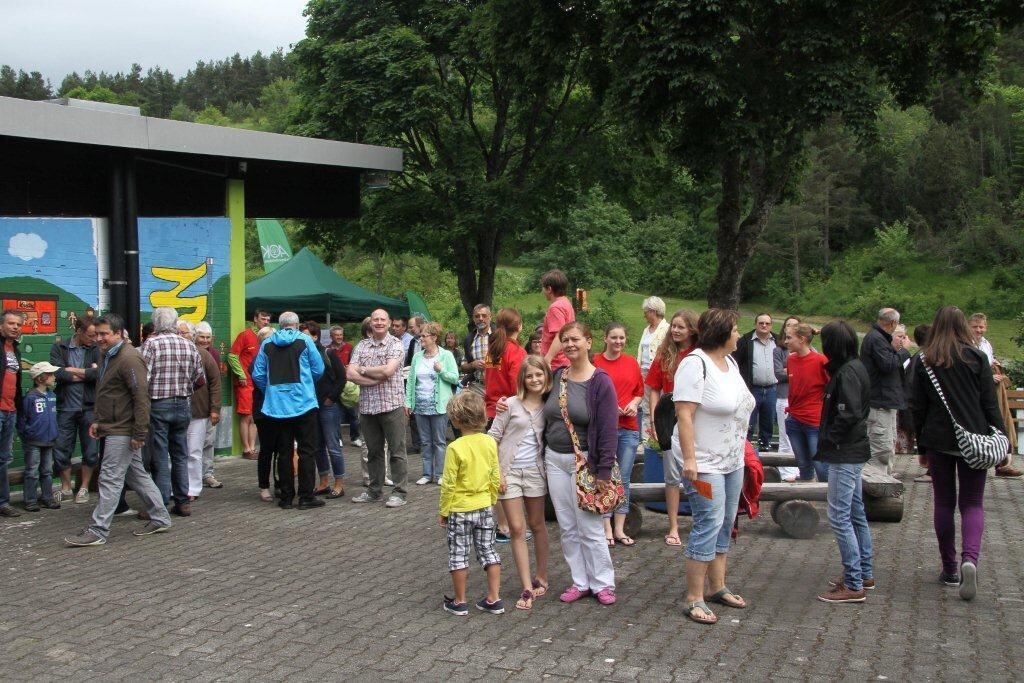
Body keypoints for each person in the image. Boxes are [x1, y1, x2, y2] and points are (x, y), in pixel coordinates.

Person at [913, 306, 1006, 601]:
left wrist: (922, 447)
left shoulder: (924, 360)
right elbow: (989, 403)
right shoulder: (976, 357)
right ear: (964, 326)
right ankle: (971, 560)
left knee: (943, 502)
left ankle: (950, 569)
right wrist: (1002, 440)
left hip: (939, 440)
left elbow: (917, 406)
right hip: (974, 438)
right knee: (972, 503)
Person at [673, 308, 755, 625]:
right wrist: (690, 460)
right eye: (735, 329)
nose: (739, 335)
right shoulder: (695, 365)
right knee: (709, 520)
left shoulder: (730, 363)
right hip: (704, 463)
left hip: (732, 460)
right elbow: (684, 414)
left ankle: (717, 587)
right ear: (722, 333)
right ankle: (693, 598)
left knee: (725, 521)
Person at [64, 314, 171, 546]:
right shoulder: (107, 355)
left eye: (105, 334)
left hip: (123, 429)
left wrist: (139, 433)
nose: (99, 338)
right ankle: (161, 518)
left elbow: (141, 398)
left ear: (119, 334)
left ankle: (98, 530)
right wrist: (98, 421)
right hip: (113, 426)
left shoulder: (130, 359)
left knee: (109, 478)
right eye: (97, 334)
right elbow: (107, 392)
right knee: (137, 475)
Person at [544, 322, 618, 605]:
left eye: (575, 339)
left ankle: (603, 583)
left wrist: (603, 471)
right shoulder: (557, 376)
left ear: (589, 342)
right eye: (565, 340)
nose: (570, 344)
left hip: (586, 463)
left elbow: (610, 430)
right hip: (554, 460)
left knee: (589, 525)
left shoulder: (600, 381)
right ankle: (580, 580)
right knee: (567, 525)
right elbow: (533, 400)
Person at [814, 321, 875, 603]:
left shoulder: (847, 372)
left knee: (839, 516)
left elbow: (848, 413)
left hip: (846, 452)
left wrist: (832, 438)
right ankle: (864, 572)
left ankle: (853, 583)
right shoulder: (854, 366)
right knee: (855, 511)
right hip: (854, 450)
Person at [488, 356, 551, 610]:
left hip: (536, 471)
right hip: (509, 471)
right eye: (529, 376)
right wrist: (497, 473)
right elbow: (492, 437)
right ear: (522, 380)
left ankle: (542, 576)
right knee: (516, 527)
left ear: (546, 376)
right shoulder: (510, 405)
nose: (535, 380)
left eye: (539, 375)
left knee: (537, 524)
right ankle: (526, 586)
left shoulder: (550, 406)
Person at [251, 312, 325, 510]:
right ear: (297, 325)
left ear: (280, 325)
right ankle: (306, 497)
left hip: (277, 407)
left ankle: (286, 498)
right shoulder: (305, 341)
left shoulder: (266, 344)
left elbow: (257, 374)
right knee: (306, 451)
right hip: (304, 404)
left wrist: (271, 392)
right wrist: (307, 385)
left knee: (283, 452)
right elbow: (318, 369)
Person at [439, 391, 503, 616]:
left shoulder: (455, 447)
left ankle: (460, 601)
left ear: (456, 420)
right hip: (485, 505)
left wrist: (444, 511)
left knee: (458, 553)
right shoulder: (489, 442)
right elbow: (495, 475)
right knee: (488, 551)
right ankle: (494, 598)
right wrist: (491, 499)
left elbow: (448, 484)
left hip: (460, 508)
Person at [141, 307, 206, 517]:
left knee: (160, 455)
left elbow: (144, 378)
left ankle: (159, 503)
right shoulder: (189, 345)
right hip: (183, 404)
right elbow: (200, 379)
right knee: (181, 454)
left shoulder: (150, 344)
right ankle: (182, 501)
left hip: (159, 404)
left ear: (156, 323)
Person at [646, 309, 699, 546]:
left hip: (695, 415)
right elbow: (655, 388)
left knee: (699, 471)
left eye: (681, 327)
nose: (676, 330)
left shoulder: (700, 354)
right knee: (671, 475)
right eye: (674, 326)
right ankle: (674, 526)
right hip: (668, 414)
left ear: (692, 330)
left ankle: (702, 521)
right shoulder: (664, 353)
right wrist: (654, 420)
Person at [348, 308, 409, 507]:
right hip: (367, 408)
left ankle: (399, 492)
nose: (379, 322)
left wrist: (363, 370)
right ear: (371, 323)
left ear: (389, 323)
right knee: (373, 452)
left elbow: (389, 370)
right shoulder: (361, 346)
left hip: (392, 405)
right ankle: (374, 491)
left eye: (383, 319)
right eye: (376, 320)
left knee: (397, 451)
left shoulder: (396, 344)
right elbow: (350, 374)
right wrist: (374, 379)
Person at [593, 322, 644, 547]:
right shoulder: (596, 362)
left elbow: (639, 391)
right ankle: (605, 527)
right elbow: (589, 394)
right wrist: (608, 408)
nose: (618, 342)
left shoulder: (631, 362)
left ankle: (620, 528)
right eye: (614, 337)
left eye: (622, 338)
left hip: (628, 427)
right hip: (605, 428)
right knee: (605, 477)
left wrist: (634, 403)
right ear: (605, 338)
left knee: (623, 478)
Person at [50, 315, 100, 502]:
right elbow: (56, 372)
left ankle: (84, 488)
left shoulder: (96, 349)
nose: (94, 339)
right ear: (79, 332)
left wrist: (72, 370)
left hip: (88, 407)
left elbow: (98, 373)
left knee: (90, 450)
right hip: (66, 407)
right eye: (90, 335)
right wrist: (85, 373)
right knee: (62, 448)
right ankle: (66, 487)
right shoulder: (60, 347)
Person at [406, 321, 460, 485]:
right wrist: (408, 402)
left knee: (439, 441)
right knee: (425, 441)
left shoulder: (446, 355)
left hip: (439, 406)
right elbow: (410, 381)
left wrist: (441, 370)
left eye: (424, 335)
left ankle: (439, 474)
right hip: (420, 405)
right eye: (420, 335)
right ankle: (426, 473)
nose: (421, 338)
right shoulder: (417, 357)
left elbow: (455, 378)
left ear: (434, 337)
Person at [968, 312, 1021, 478]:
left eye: (981, 327)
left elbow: (987, 364)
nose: (978, 330)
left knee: (1001, 423)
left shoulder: (986, 344)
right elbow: (969, 371)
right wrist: (989, 377)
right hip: (975, 393)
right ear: (969, 327)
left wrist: (996, 369)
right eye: (975, 327)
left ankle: (1003, 463)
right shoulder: (966, 345)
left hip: (991, 392)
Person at [303, 321, 347, 499]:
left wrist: (331, 398)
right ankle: (323, 482)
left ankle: (339, 483)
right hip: (312, 406)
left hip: (328, 407)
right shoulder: (302, 355)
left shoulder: (328, 353)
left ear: (315, 337)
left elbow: (342, 378)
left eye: (307, 335)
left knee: (333, 446)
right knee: (317, 447)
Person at [860, 308, 906, 475]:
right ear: (893, 323)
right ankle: (876, 484)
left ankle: (886, 476)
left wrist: (894, 349)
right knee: (880, 448)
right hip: (879, 403)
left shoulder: (879, 338)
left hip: (886, 402)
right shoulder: (877, 339)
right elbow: (887, 365)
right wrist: (903, 352)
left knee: (888, 443)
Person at [178, 320, 221, 501]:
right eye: (178, 333)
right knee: (176, 451)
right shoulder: (171, 352)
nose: (182, 337)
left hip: (198, 410)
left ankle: (193, 488)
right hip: (175, 409)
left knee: (194, 451)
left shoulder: (203, 355)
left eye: (185, 333)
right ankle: (176, 486)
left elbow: (215, 382)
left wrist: (214, 409)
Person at [784, 323, 830, 482]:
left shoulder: (820, 360)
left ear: (802, 339)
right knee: (803, 463)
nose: (786, 341)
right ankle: (804, 500)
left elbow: (830, 387)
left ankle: (830, 498)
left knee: (820, 464)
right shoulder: (791, 360)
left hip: (814, 421)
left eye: (789, 337)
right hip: (794, 419)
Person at [17, 362, 61, 511]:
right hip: (33, 441)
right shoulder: (30, 397)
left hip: (49, 440)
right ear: (41, 378)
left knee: (47, 471)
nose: (54, 377)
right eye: (51, 374)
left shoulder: (52, 395)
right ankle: (30, 500)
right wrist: (27, 434)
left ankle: (47, 497)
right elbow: (22, 419)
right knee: (32, 471)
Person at [228, 309, 271, 460]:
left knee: (255, 417)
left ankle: (252, 447)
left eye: (267, 320)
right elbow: (232, 356)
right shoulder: (245, 335)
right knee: (247, 416)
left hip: (260, 383)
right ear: (255, 319)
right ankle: (246, 449)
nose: (265, 322)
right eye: (263, 319)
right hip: (245, 382)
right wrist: (241, 374)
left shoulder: (269, 337)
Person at [733, 312, 778, 452]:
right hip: (752, 389)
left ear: (771, 325)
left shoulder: (778, 340)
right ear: (755, 324)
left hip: (771, 389)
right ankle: (746, 451)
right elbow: (735, 362)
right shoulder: (746, 341)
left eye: (767, 323)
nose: (764, 326)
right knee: (748, 422)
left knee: (768, 423)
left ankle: (766, 451)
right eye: (761, 323)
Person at [0, 310, 24, 517]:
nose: (15, 327)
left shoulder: (14, 349)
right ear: (1, 326)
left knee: (3, 458)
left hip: (10, 410)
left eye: (18, 324)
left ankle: (3, 503)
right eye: (11, 323)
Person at [194, 321, 223, 488]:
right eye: (202, 337)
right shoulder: (189, 351)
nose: (205, 340)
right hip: (194, 409)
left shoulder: (214, 354)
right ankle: (193, 477)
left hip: (208, 407)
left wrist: (215, 408)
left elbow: (216, 383)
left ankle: (207, 474)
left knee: (208, 442)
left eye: (208, 337)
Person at [250, 326, 278, 502]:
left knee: (282, 448)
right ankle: (264, 486)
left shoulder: (278, 357)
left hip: (279, 409)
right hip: (263, 410)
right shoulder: (257, 360)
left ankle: (280, 482)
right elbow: (259, 379)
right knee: (267, 449)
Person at [637, 297, 669, 442]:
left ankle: (661, 438)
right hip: (644, 372)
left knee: (659, 406)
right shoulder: (645, 329)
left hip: (659, 373)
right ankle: (646, 439)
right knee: (646, 407)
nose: (644, 314)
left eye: (646, 311)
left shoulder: (666, 329)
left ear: (653, 311)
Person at [774, 316, 802, 482]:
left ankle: (799, 469)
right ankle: (785, 471)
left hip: (800, 398)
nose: (791, 328)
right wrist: (796, 371)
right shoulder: (779, 351)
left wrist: (789, 371)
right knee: (785, 436)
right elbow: (778, 373)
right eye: (789, 325)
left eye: (796, 326)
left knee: (798, 435)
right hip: (784, 396)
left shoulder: (807, 350)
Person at [540, 269, 575, 372]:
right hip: (565, 360)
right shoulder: (566, 303)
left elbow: (560, 334)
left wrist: (548, 359)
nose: (542, 292)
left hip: (556, 364)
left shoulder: (555, 308)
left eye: (543, 288)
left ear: (549, 289)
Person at [460, 304, 494, 393]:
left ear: (490, 317)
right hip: (476, 387)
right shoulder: (469, 339)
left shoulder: (498, 336)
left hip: (496, 385)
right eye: (477, 316)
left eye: (484, 315)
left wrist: (490, 364)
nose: (481, 318)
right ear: (473, 319)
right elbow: (463, 366)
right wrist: (473, 365)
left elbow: (508, 360)